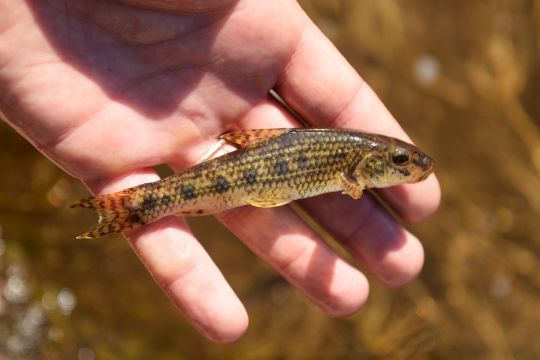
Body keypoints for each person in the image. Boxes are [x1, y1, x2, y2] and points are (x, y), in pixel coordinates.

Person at [0, 0, 440, 343]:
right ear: (370, 166)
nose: (408, 168)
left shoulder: (352, 164)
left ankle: (135, 207)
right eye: (401, 164)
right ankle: (140, 206)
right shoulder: (352, 166)